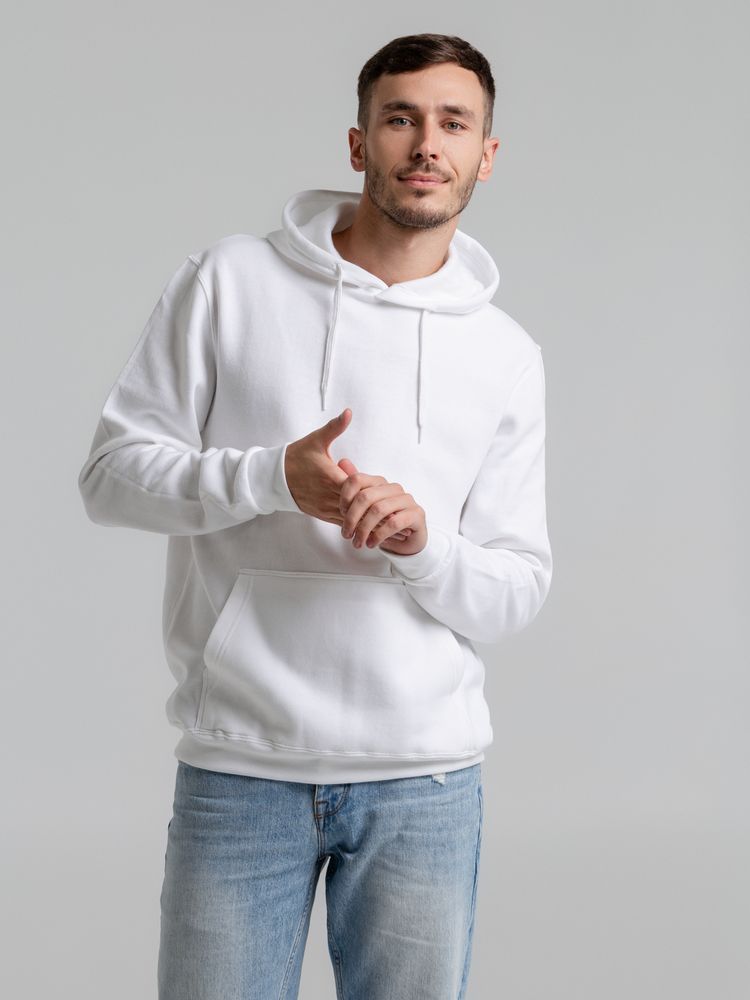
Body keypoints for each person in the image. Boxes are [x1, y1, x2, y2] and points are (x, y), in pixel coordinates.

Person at [78, 31, 553, 1000]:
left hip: (423, 781)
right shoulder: (229, 283)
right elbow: (111, 478)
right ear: (359, 141)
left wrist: (426, 546)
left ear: (486, 154)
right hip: (242, 765)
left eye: (454, 123)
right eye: (401, 118)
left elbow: (516, 587)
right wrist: (268, 478)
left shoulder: (505, 353)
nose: (427, 143)